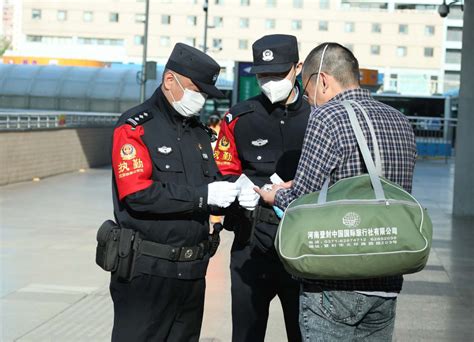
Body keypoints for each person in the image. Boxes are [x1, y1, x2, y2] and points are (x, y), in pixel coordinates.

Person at [257, 42, 417, 341]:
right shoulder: (400, 121)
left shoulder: (326, 117)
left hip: (335, 283)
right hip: (387, 278)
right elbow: (384, 191)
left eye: (307, 90)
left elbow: (299, 200)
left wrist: (275, 194)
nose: (309, 98)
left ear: (324, 80)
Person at [109, 43, 241, 342]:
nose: (201, 99)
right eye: (196, 89)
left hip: (192, 273)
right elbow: (137, 193)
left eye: (205, 93)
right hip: (147, 273)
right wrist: (202, 196)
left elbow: (214, 183)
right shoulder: (135, 127)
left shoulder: (199, 134)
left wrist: (238, 193)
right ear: (170, 80)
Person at [214, 34, 310, 342]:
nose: (270, 82)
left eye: (278, 74)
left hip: (305, 243)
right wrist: (238, 188)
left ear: (298, 67)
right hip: (251, 242)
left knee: (305, 333)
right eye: (263, 75)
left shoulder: (319, 117)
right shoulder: (238, 118)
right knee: (246, 334)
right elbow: (222, 170)